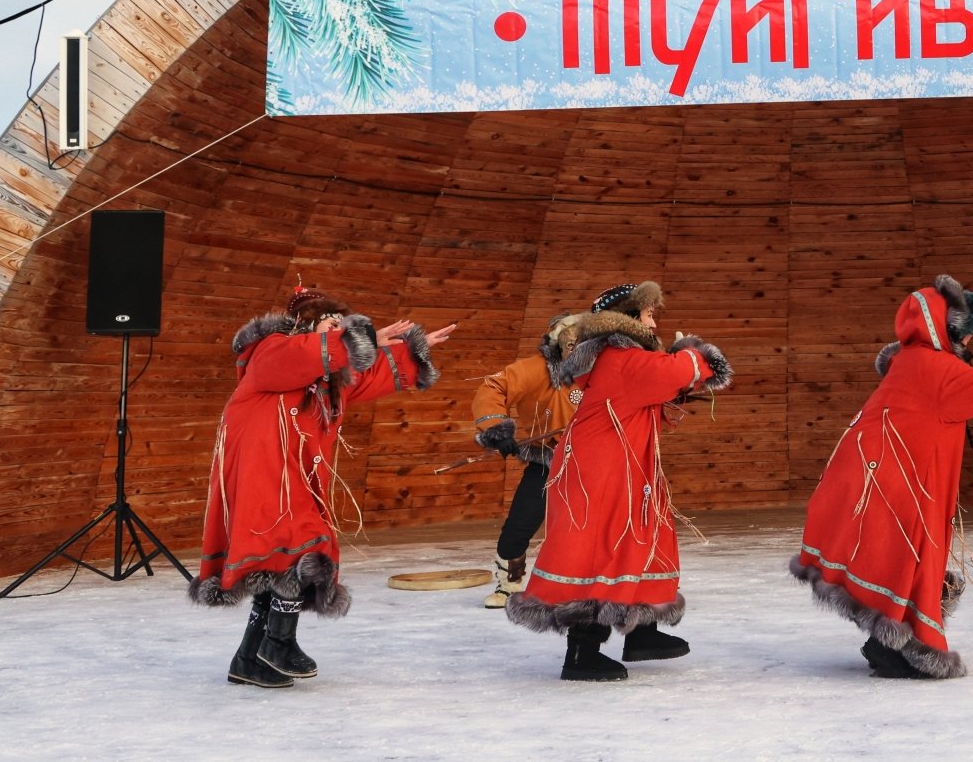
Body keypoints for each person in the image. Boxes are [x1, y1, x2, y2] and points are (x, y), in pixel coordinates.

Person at [188, 283, 452, 688]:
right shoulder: (272, 350)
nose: (338, 331)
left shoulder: (323, 376)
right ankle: (278, 644)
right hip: (263, 473)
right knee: (305, 544)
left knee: (281, 562)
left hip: (292, 477)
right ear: (305, 324)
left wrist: (411, 348)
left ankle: (248, 660)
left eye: (341, 326)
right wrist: (364, 338)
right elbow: (305, 356)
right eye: (330, 324)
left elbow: (367, 375)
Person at [791, 274, 973, 679]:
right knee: (908, 559)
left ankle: (889, 642)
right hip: (897, 485)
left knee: (893, 558)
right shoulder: (938, 369)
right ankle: (904, 648)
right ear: (951, 330)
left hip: (873, 477)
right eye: (967, 333)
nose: (970, 340)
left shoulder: (909, 361)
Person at [505, 282, 731, 682]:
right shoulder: (624, 358)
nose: (654, 323)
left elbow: (660, 389)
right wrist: (693, 351)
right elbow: (682, 371)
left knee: (638, 540)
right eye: (648, 314)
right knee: (597, 552)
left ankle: (641, 632)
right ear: (628, 318)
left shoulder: (615, 358)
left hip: (617, 468)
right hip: (601, 473)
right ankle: (582, 652)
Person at [471, 316, 579, 609]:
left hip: (598, 464)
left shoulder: (605, 367)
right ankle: (509, 585)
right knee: (520, 524)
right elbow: (494, 387)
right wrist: (496, 428)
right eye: (570, 342)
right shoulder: (536, 369)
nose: (576, 349)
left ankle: (622, 584)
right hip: (548, 461)